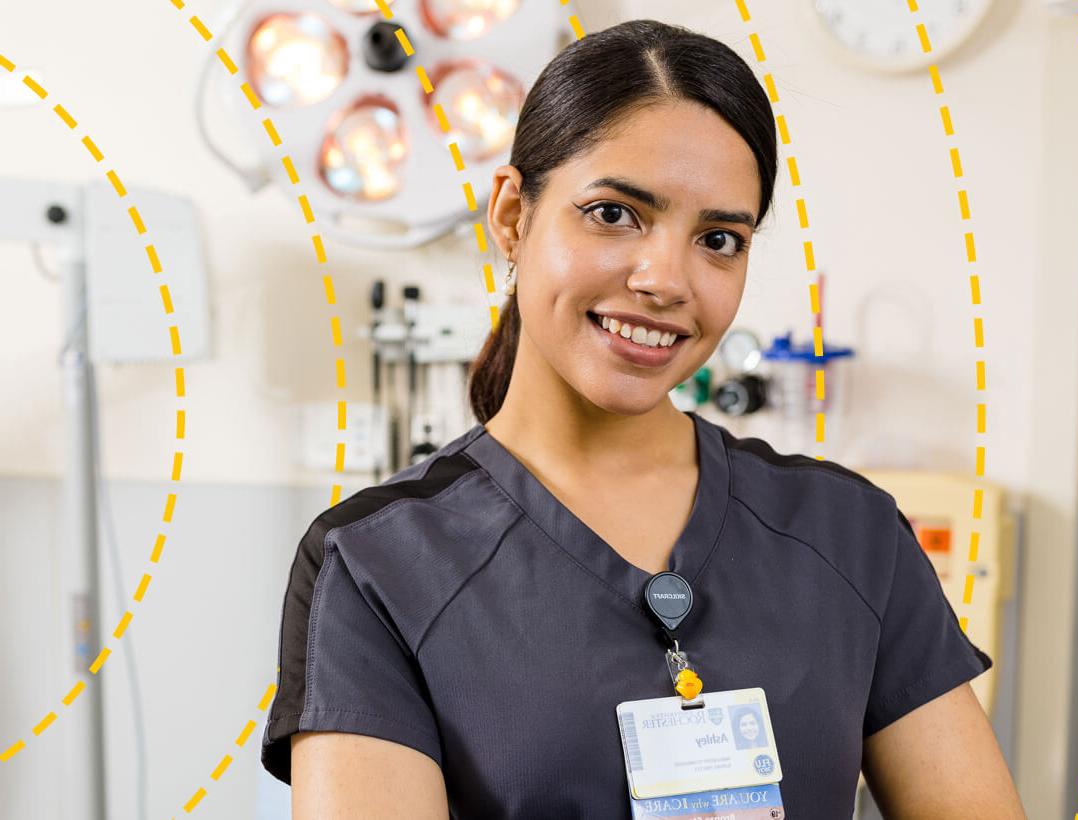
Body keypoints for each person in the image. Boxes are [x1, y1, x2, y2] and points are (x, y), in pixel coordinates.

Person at [260, 17, 1026, 820]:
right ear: (515, 217)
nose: (666, 279)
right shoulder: (379, 564)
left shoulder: (851, 536)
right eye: (614, 214)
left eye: (719, 238)